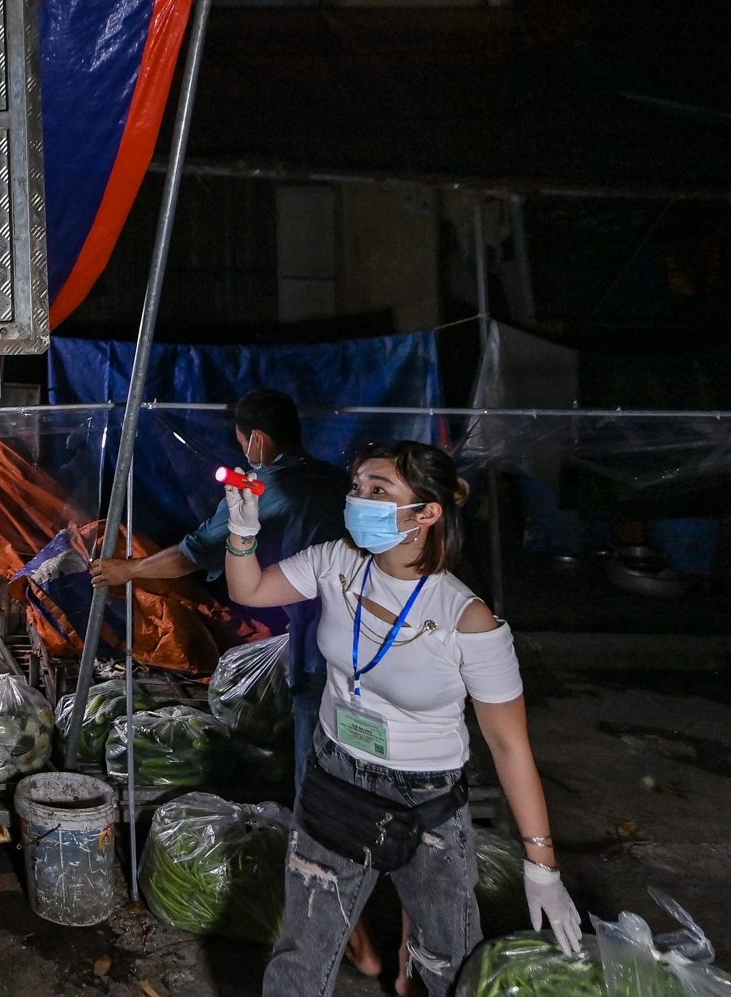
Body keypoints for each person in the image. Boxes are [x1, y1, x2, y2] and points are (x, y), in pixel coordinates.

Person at [222, 439, 582, 996]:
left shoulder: (466, 618)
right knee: (301, 954)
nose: (358, 498)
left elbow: (510, 746)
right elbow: (248, 589)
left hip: (425, 801)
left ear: (426, 513)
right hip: (334, 775)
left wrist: (542, 864)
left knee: (447, 962)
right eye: (357, 486)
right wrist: (242, 533)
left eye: (378, 489)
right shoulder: (336, 562)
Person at [90, 390, 346, 779]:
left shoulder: (259, 490)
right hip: (365, 644)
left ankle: (310, 808)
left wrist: (128, 570)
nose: (243, 450)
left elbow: (192, 555)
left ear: (257, 439)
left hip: (316, 648)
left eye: (242, 442)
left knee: (314, 762)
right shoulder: (338, 482)